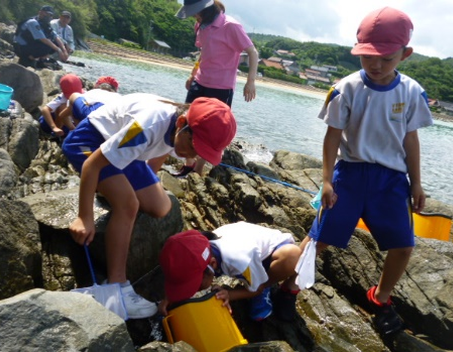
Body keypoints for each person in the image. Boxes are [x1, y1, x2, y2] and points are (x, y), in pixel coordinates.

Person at [296, 7, 434, 336]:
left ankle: (380, 297)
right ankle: (287, 284)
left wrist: (417, 184)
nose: (375, 65)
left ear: (406, 54)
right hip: (351, 175)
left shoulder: (411, 92)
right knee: (319, 239)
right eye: (367, 57)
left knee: (403, 246)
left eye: (386, 59)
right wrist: (327, 181)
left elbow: (410, 139)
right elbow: (332, 137)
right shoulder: (347, 88)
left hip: (391, 182)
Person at [61, 95, 236, 319]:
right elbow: (91, 164)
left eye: (201, 153)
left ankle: (109, 186)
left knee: (161, 206)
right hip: (90, 143)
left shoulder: (177, 131)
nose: (192, 155)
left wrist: (143, 183)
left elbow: (160, 151)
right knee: (128, 205)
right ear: (182, 124)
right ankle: (116, 285)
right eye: (194, 146)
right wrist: (84, 216)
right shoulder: (147, 126)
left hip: (127, 153)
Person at [173, 0, 258, 177]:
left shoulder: (231, 26)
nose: (195, 16)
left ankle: (198, 169)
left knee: (210, 129)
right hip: (200, 80)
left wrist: (250, 82)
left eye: (196, 13)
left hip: (221, 86)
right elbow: (204, 51)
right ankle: (188, 163)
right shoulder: (201, 25)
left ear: (207, 9)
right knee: (187, 119)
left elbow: (253, 52)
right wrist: (193, 73)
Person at [159, 222, 302, 321]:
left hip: (269, 254)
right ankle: (255, 279)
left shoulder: (238, 259)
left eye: (197, 285)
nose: (195, 290)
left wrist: (230, 294)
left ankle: (265, 282)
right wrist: (172, 295)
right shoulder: (197, 249)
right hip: (244, 247)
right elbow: (179, 274)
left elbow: (256, 290)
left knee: (291, 257)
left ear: (212, 264)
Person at [39, 73, 83, 137]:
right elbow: (45, 110)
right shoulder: (63, 98)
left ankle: (73, 131)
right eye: (70, 95)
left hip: (69, 125)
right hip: (50, 123)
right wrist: (54, 127)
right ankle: (55, 134)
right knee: (63, 106)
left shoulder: (84, 95)